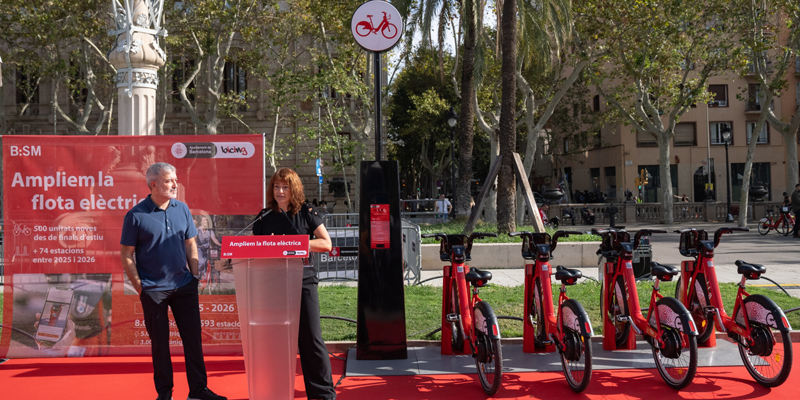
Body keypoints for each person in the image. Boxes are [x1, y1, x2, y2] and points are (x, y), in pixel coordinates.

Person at [120, 162, 226, 400]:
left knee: (193, 340)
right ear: (154, 184)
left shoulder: (183, 209)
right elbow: (126, 255)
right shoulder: (135, 215)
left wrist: (194, 275)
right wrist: (140, 286)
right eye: (169, 180)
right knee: (160, 344)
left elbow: (191, 244)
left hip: (184, 285)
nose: (175, 184)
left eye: (175, 179)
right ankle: (165, 393)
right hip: (153, 290)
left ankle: (198, 390)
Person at [253, 168, 336, 400]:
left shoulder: (307, 212)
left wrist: (296, 243)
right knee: (276, 341)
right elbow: (254, 250)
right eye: (277, 187)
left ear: (294, 189)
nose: (280, 191)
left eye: (285, 187)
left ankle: (322, 395)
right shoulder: (263, 216)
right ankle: (274, 391)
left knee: (311, 338)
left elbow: (326, 243)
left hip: (303, 282)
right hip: (273, 284)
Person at [196, 215, 222, 294]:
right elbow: (194, 238)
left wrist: (221, 245)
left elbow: (214, 239)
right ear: (201, 222)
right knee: (202, 262)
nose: (205, 222)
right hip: (199, 248)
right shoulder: (197, 230)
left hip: (207, 249)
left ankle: (212, 278)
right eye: (204, 220)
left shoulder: (210, 231)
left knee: (210, 262)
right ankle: (199, 275)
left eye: (207, 221)